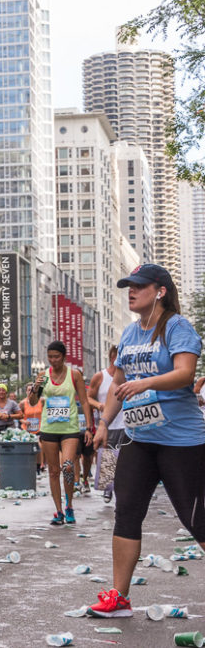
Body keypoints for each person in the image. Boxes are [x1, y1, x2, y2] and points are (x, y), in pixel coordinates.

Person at [87, 263, 205, 618]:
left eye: (138, 286)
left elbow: (186, 373)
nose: (131, 291)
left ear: (160, 291)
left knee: (196, 519)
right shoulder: (129, 334)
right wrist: (105, 422)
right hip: (139, 439)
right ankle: (119, 598)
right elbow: (118, 389)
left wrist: (146, 383)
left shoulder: (177, 327)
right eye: (129, 286)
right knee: (126, 514)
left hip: (182, 441)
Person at [28, 340, 94, 526]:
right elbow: (33, 402)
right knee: (53, 471)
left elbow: (85, 401)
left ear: (64, 357)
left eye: (56, 356)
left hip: (70, 429)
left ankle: (70, 505)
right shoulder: (43, 375)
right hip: (49, 428)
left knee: (68, 466)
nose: (53, 360)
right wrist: (35, 387)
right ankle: (58, 511)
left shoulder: (74, 375)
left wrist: (88, 427)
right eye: (50, 357)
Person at [87, 346, 126, 502]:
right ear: (112, 357)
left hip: (126, 422)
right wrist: (99, 405)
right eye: (117, 356)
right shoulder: (100, 376)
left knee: (125, 458)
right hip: (108, 424)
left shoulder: (128, 375)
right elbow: (88, 398)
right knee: (108, 456)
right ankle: (109, 489)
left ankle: (122, 489)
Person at [20, 387, 45, 474]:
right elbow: (18, 416)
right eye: (28, 390)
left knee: (38, 445)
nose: (30, 391)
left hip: (39, 428)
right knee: (28, 447)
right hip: (26, 429)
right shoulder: (23, 403)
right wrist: (24, 421)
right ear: (26, 391)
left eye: (32, 389)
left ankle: (39, 466)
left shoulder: (41, 401)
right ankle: (28, 465)